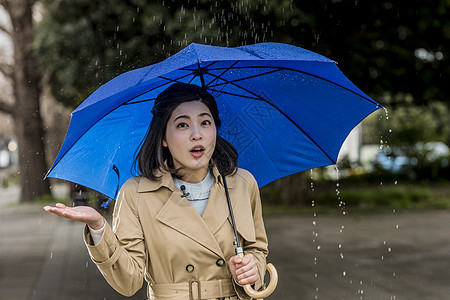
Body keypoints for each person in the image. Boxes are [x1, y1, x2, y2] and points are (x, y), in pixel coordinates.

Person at [44, 82, 269, 300]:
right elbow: (128, 282)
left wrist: (252, 269)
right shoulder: (136, 194)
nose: (197, 134)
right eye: (182, 125)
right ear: (163, 138)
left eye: (205, 122)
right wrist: (99, 228)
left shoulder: (241, 183)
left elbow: (258, 249)